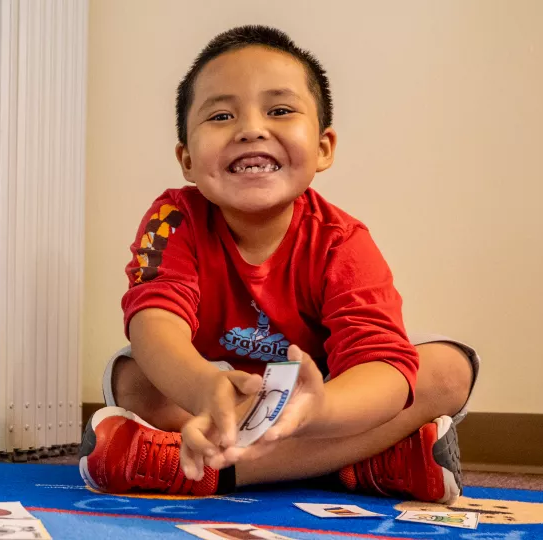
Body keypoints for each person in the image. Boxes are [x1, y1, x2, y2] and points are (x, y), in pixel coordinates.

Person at [78, 24, 479, 504]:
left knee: (448, 372)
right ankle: (362, 463)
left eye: (280, 110)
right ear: (186, 159)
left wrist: (322, 408)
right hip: (206, 395)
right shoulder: (174, 218)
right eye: (221, 115)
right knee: (136, 379)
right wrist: (204, 387)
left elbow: (381, 361)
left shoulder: (341, 241)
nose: (250, 128)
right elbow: (153, 320)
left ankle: (211, 473)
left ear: (323, 147)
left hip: (319, 397)